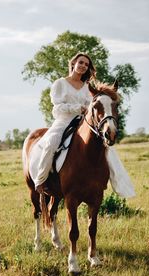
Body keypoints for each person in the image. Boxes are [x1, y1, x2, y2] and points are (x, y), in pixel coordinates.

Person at [35, 53, 96, 193]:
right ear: (73, 63)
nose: (83, 66)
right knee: (51, 143)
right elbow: (57, 107)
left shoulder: (87, 87)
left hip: (83, 122)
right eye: (81, 62)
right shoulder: (60, 83)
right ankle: (41, 180)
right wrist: (76, 108)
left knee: (103, 145)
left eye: (87, 65)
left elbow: (90, 105)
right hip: (64, 121)